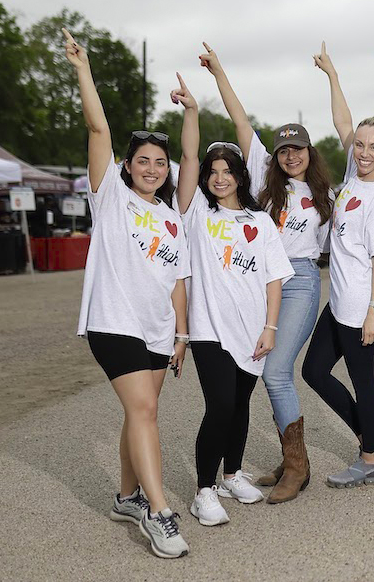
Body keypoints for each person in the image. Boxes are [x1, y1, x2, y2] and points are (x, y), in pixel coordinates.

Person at [65, 29, 191, 558]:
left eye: (159, 163)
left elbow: (178, 279)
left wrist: (181, 334)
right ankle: (159, 512)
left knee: (140, 410)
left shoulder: (170, 215)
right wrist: (82, 69)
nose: (151, 168)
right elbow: (98, 126)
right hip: (113, 322)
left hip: (159, 329)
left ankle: (124, 495)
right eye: (143, 160)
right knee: (144, 410)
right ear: (127, 165)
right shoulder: (111, 197)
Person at [198, 43, 335, 503]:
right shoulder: (261, 178)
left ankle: (298, 465)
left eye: (298, 149)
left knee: (275, 373)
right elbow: (240, 121)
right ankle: (287, 458)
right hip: (256, 281)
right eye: (283, 150)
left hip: (297, 280)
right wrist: (219, 71)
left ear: (309, 152)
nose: (290, 155)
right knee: (256, 373)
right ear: (273, 156)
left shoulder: (323, 192)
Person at [173, 73, 294, 527]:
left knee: (242, 405)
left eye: (228, 171)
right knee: (220, 405)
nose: (220, 179)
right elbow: (187, 157)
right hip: (209, 328)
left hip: (253, 329)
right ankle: (203, 490)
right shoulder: (196, 214)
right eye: (213, 172)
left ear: (241, 176)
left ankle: (232, 473)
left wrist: (270, 328)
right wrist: (191, 112)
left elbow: (274, 280)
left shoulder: (259, 222)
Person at [301, 42, 374, 488]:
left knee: (365, 380)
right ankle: (369, 434)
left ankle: (371, 460)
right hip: (339, 300)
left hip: (361, 303)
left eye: (372, 146)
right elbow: (342, 120)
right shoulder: (352, 177)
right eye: (359, 144)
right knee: (313, 371)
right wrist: (332, 75)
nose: (362, 151)